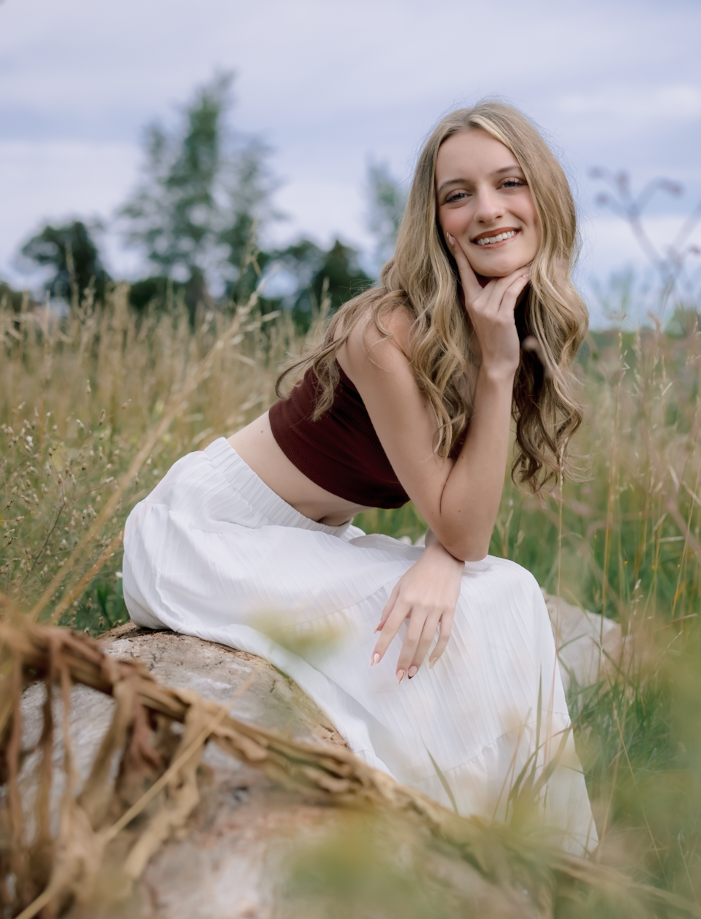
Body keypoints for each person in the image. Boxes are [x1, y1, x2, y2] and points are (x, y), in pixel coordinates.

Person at [121, 101, 597, 854]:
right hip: (209, 529)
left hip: (308, 536)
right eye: (457, 194)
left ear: (544, 195)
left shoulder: (508, 318)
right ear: (434, 219)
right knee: (482, 598)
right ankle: (462, 844)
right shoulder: (388, 330)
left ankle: (536, 854)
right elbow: (463, 525)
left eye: (509, 183)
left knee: (502, 593)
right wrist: (497, 376)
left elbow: (459, 520)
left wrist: (445, 554)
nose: (487, 210)